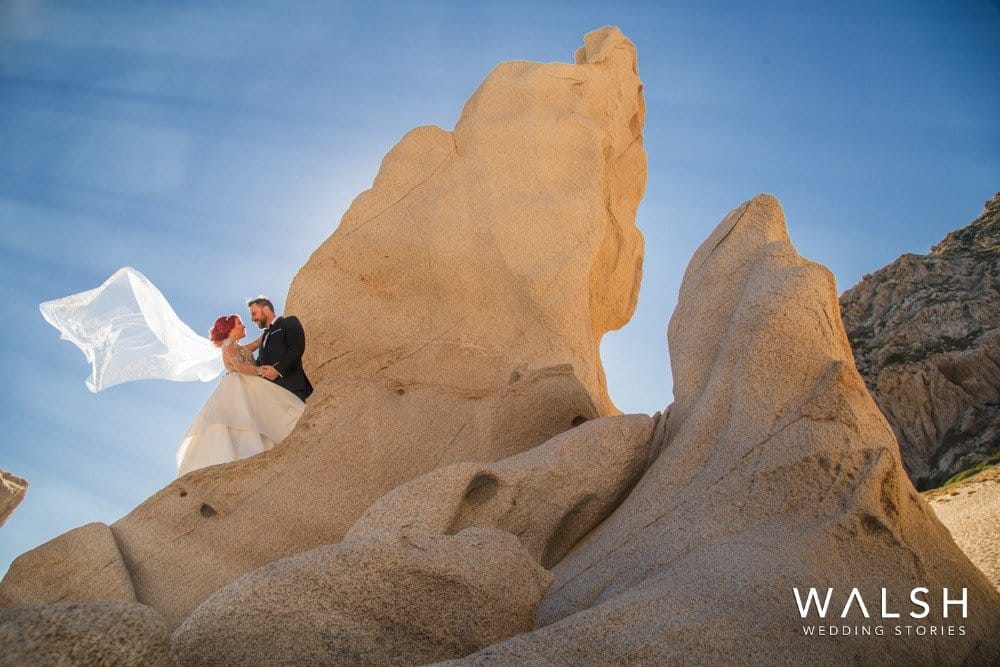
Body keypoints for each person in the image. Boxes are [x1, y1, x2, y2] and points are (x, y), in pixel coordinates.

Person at [175, 314, 306, 476]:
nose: (244, 326)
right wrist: (260, 370)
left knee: (254, 413)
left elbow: (255, 344)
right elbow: (237, 365)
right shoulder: (228, 344)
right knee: (243, 416)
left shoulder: (237, 346)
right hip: (238, 383)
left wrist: (271, 330)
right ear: (230, 328)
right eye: (239, 324)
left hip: (247, 383)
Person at [247, 297, 313, 401]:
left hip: (291, 388)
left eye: (254, 313)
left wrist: (278, 370)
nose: (252, 319)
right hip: (271, 394)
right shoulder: (264, 336)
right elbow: (260, 363)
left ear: (265, 309)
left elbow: (296, 348)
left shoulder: (288, 322)